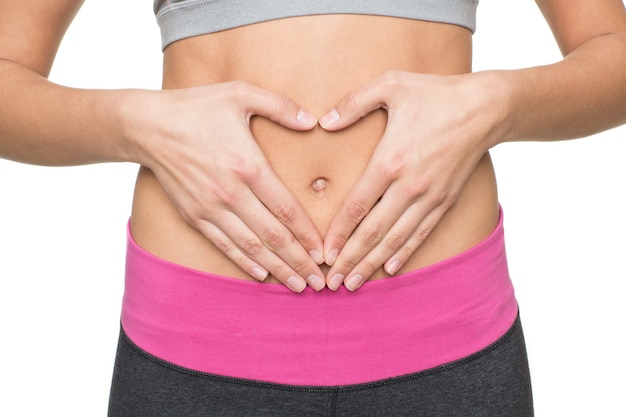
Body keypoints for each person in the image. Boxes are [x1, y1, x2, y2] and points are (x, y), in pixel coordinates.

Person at [1, 0, 625, 415]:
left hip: (445, 339)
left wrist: (496, 103)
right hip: (195, 345)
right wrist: (136, 122)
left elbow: (613, 49)